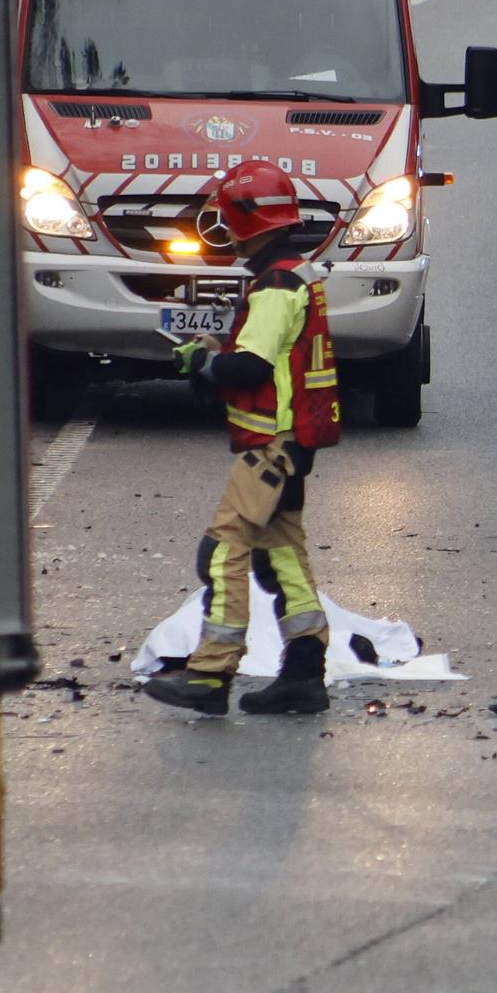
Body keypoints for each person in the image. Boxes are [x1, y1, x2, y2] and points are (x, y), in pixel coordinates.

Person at [143, 160, 341, 717]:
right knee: (280, 558)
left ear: (243, 220)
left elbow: (251, 367)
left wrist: (204, 362)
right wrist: (216, 357)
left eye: (227, 219)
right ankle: (304, 674)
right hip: (290, 446)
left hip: (270, 448)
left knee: (222, 551)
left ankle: (210, 675)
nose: (224, 231)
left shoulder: (276, 285)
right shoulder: (294, 276)